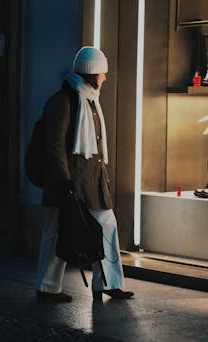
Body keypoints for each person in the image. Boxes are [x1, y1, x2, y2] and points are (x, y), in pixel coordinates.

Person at [34, 46, 134, 303]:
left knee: (106, 226)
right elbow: (55, 145)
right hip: (68, 181)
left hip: (90, 181)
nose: (105, 78)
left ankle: (108, 283)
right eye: (102, 73)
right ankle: (47, 287)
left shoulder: (88, 99)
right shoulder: (65, 101)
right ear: (92, 73)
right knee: (57, 232)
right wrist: (65, 181)